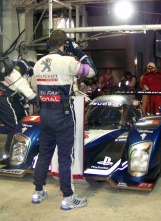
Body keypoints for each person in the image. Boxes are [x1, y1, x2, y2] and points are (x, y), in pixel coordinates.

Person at [31, 30, 96, 209]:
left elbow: (36, 88)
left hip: (44, 114)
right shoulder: (68, 61)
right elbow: (91, 71)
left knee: (44, 153)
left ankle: (38, 192)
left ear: (49, 44)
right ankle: (68, 197)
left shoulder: (38, 64)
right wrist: (78, 52)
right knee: (65, 157)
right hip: (63, 115)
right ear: (65, 43)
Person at [0, 58, 38, 155]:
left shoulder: (7, 70)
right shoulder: (19, 78)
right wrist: (41, 101)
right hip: (3, 101)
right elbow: (30, 95)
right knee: (13, 126)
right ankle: (9, 151)